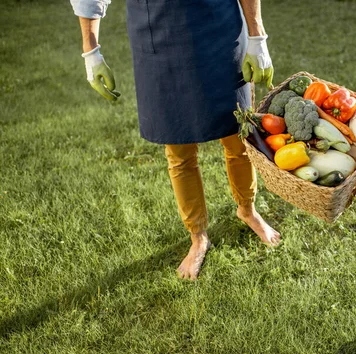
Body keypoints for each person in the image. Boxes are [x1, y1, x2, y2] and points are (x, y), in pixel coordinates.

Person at [70, 0, 281, 280]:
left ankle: (247, 209)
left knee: (238, 135)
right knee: (179, 145)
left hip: (220, 28)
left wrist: (257, 37)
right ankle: (198, 237)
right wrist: (91, 52)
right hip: (159, 35)